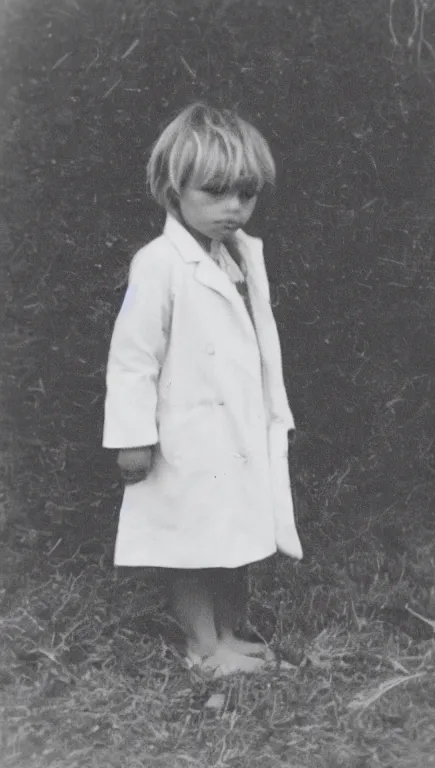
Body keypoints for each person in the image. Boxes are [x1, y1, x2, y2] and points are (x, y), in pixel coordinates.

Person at [103, 102, 302, 678]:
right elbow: (132, 359)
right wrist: (133, 438)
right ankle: (201, 644)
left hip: (234, 431)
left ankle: (229, 634)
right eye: (216, 193)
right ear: (173, 191)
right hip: (184, 437)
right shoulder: (159, 263)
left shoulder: (239, 256)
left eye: (246, 194)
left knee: (235, 537)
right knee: (190, 544)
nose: (234, 208)